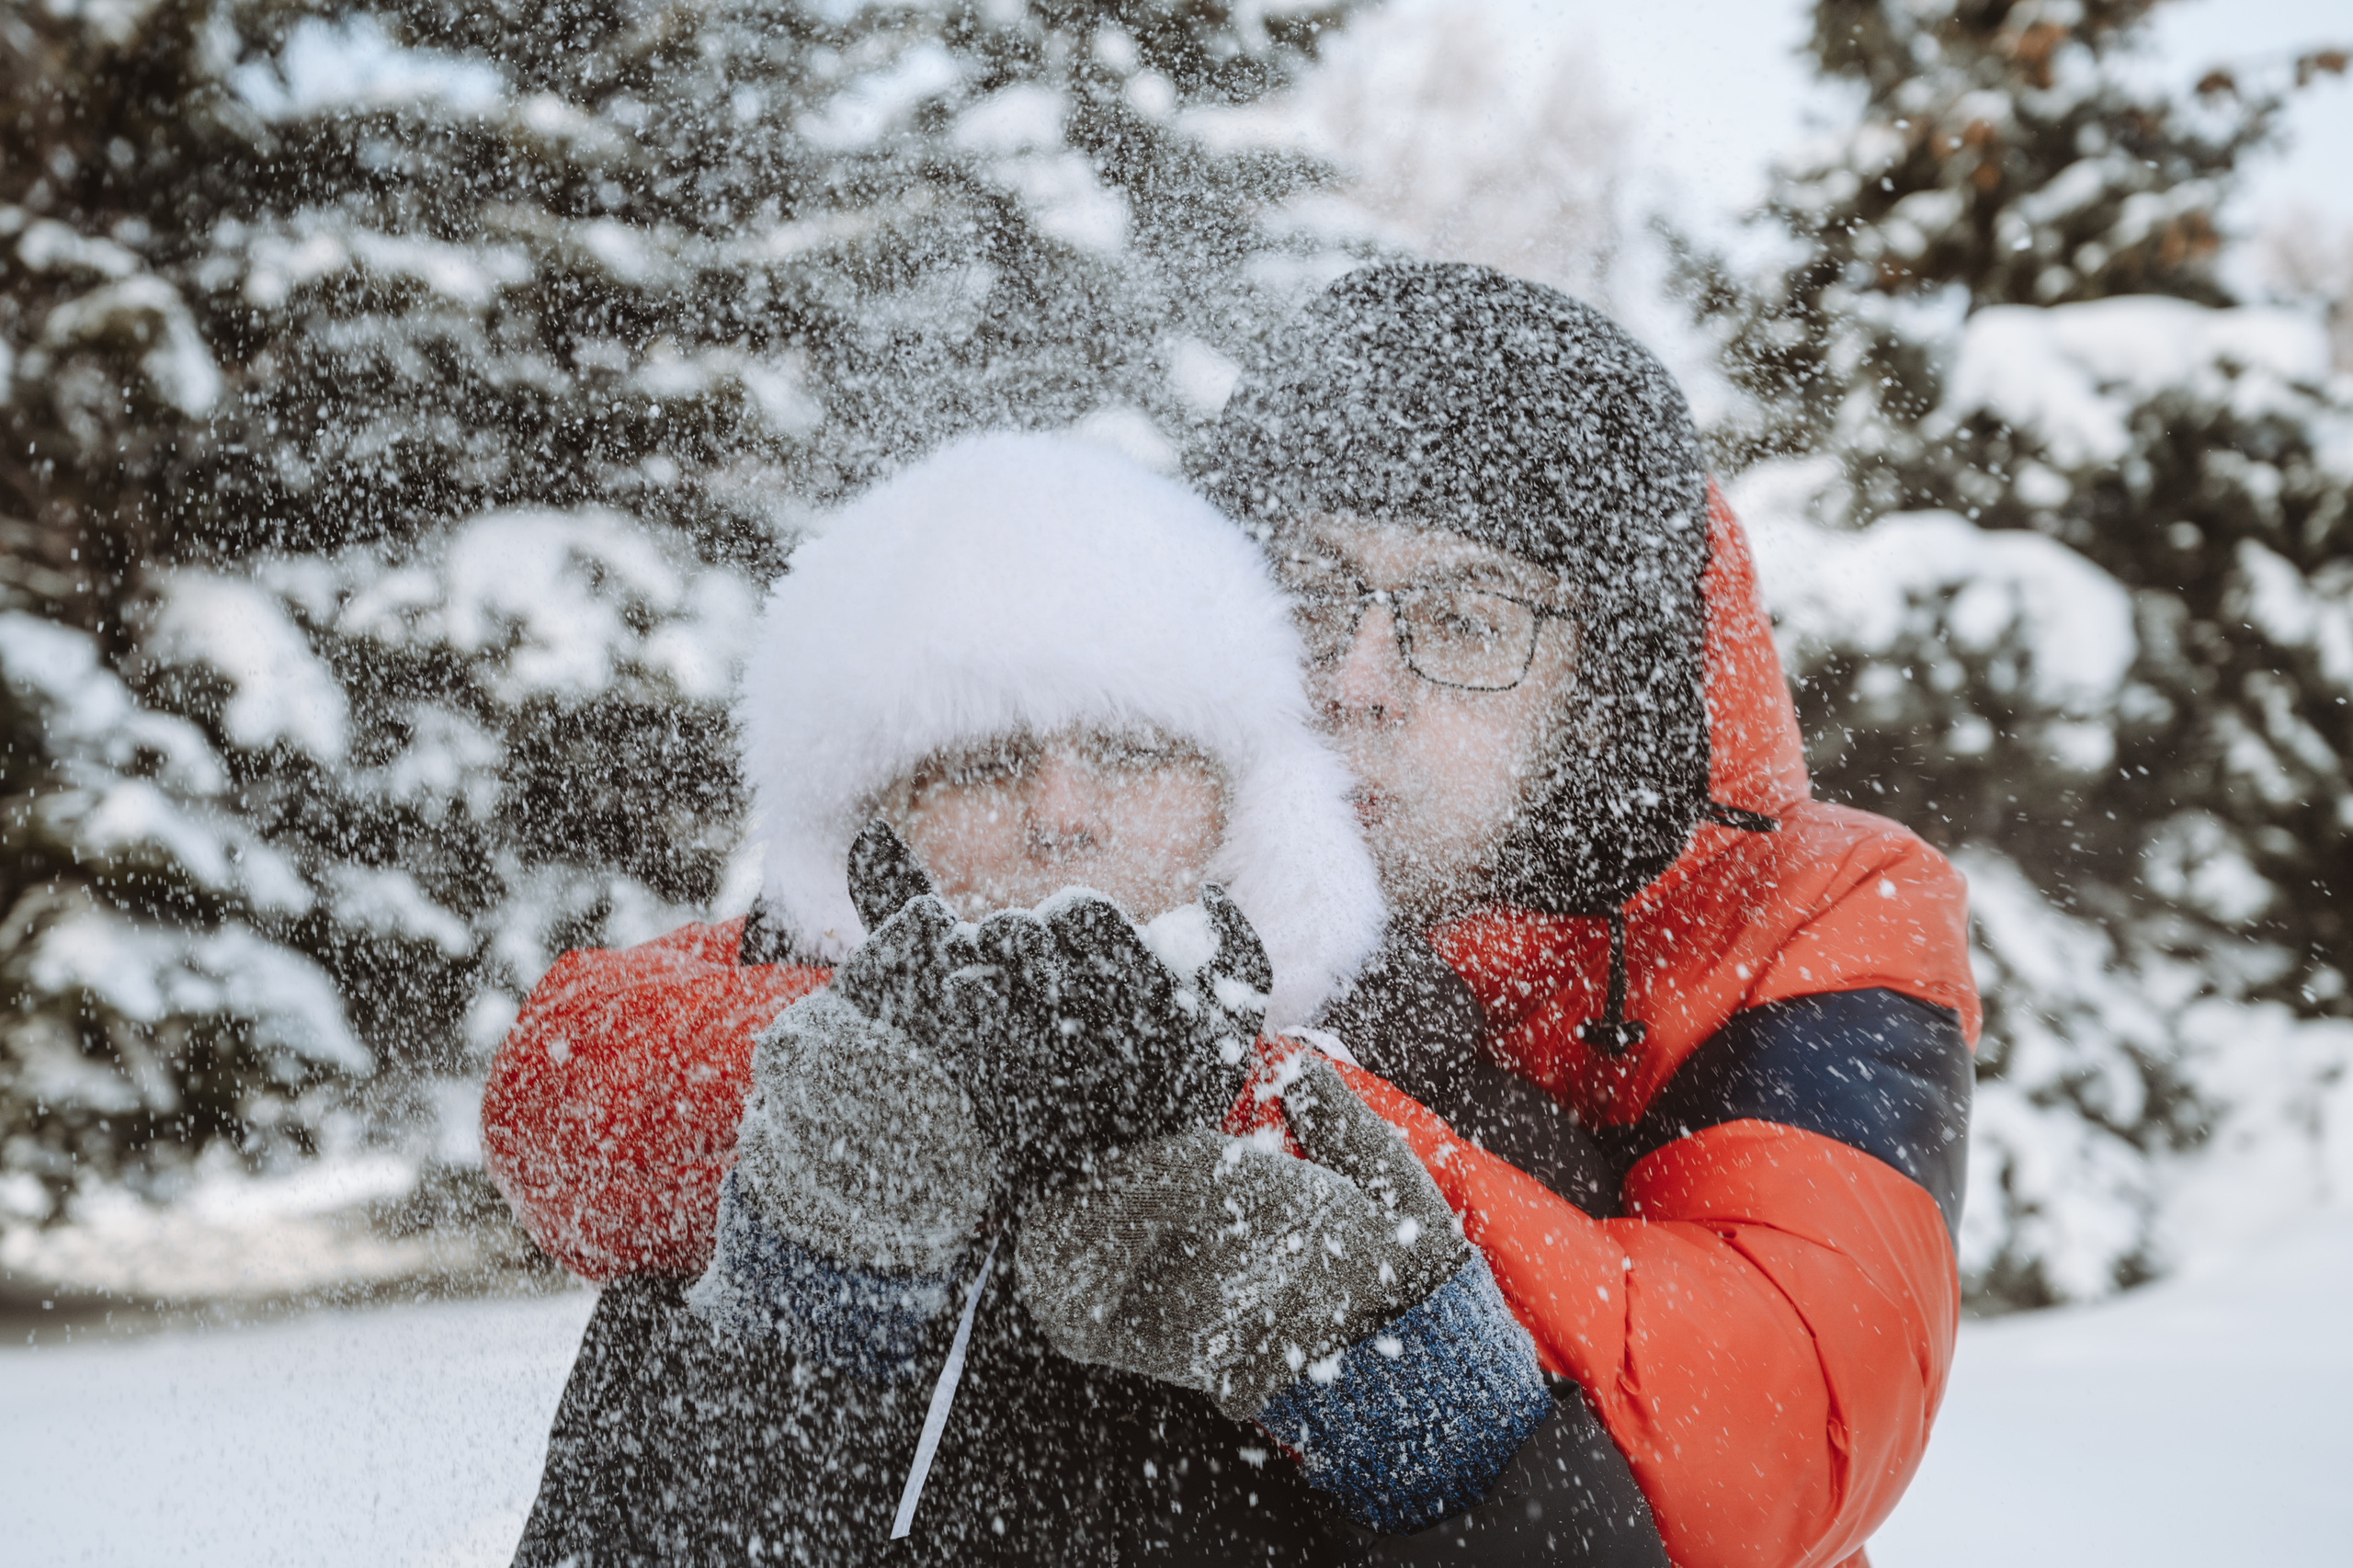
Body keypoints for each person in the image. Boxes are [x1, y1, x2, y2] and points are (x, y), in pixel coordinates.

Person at [490, 263, 1978, 1568]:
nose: (1357, 680)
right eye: (1316, 593)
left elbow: (1769, 1435)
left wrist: (1234, 1104)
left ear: (1607, 691)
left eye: (1462, 623)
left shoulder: (1797, 919)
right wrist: (897, 1066)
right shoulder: (1106, 831)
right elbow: (588, 1075)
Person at [489, 432, 1656, 1565]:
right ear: (866, 817)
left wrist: (1436, 1424)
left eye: (1132, 748)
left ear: (1239, 794)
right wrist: (813, 1325)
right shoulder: (771, 1139)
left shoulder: (1424, 1105)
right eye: (985, 760)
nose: (1061, 814)